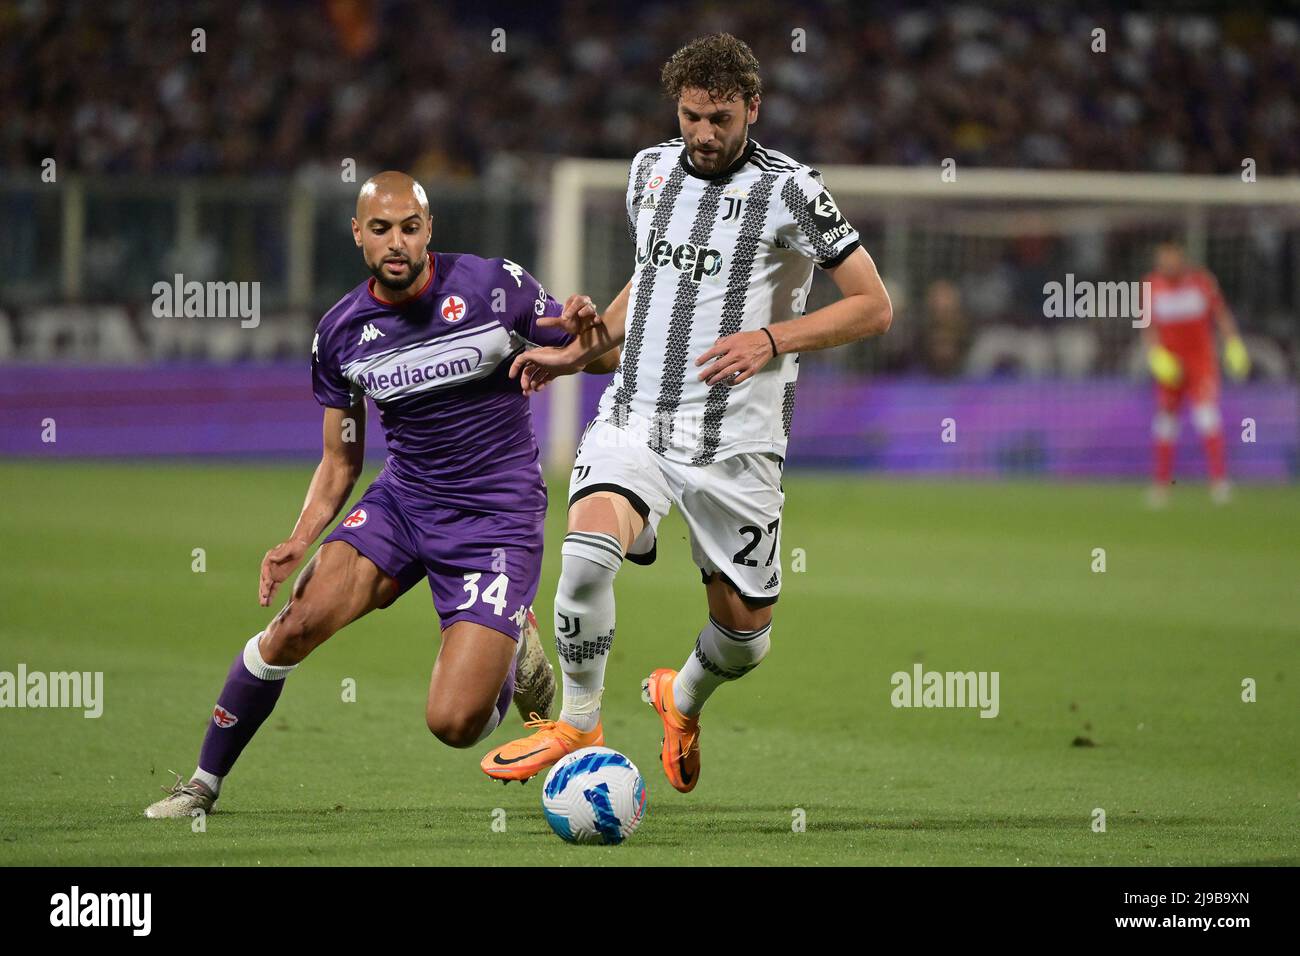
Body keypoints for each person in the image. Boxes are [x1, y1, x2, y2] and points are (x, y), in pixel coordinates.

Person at [481, 35, 893, 792]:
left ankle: (683, 696)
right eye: (692, 116)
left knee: (743, 637)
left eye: (721, 119)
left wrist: (770, 338)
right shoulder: (649, 172)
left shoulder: (793, 189)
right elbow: (649, 288)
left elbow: (873, 306)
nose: (703, 134)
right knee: (584, 558)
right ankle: (577, 721)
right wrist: (580, 350)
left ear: (752, 111)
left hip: (737, 443)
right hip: (637, 418)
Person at [145, 171, 614, 817]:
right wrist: (298, 539)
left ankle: (512, 646)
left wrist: (586, 329)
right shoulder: (339, 335)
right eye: (382, 228)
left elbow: (597, 354)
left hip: (494, 518)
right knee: (293, 624)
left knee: (454, 723)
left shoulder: (491, 284)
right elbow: (341, 457)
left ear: (429, 232)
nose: (397, 241)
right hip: (403, 503)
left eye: (410, 227)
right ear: (359, 234)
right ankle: (201, 784)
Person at [1143, 239, 1249, 506]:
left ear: (1181, 259)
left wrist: (1233, 343)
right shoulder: (1150, 286)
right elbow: (1147, 326)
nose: (1167, 264)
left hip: (1201, 361)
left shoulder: (1201, 282)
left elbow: (1221, 315)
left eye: (1171, 259)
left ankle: (1219, 482)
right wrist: (1155, 355)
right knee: (1166, 422)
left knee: (1207, 417)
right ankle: (1161, 485)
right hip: (1171, 364)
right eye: (1162, 260)